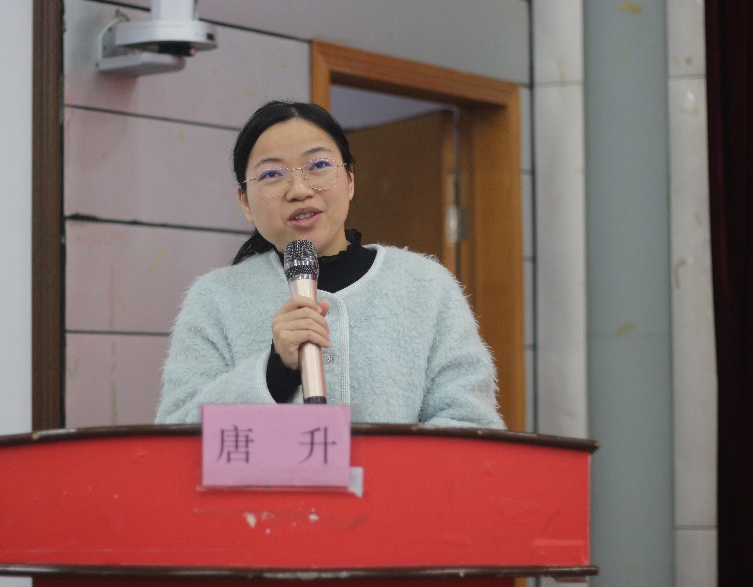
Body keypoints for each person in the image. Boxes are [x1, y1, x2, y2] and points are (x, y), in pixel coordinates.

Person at [156, 100, 504, 429]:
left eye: (319, 166)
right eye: (272, 174)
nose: (299, 190)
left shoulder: (426, 286)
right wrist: (273, 374)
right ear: (245, 202)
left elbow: (470, 425)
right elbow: (174, 436)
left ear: (350, 179)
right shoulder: (215, 299)